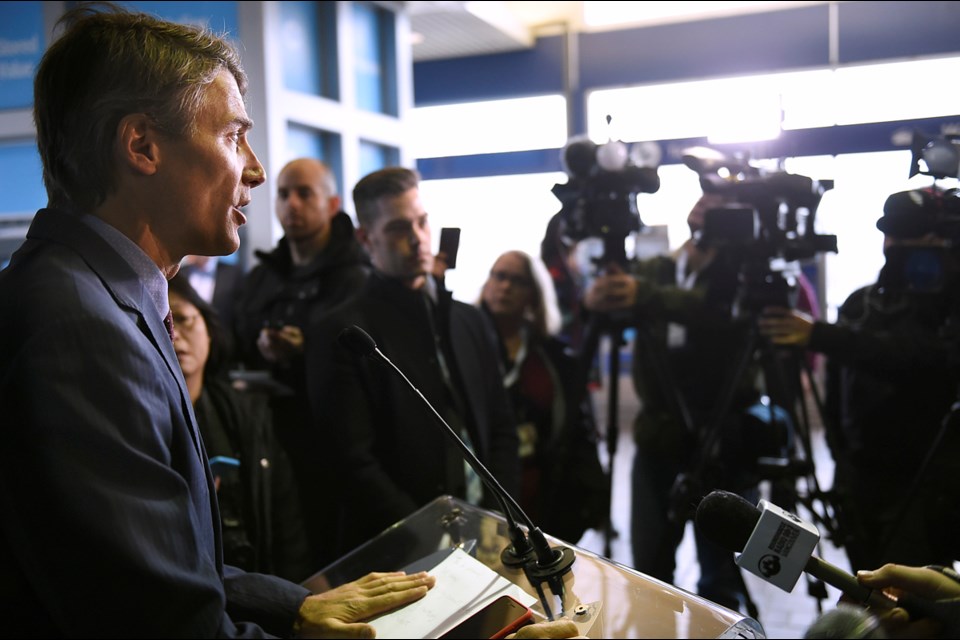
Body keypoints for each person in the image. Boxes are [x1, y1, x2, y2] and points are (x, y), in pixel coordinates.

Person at [0, 5, 437, 635]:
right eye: (234, 136)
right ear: (142, 146)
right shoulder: (78, 328)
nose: (256, 169)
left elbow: (155, 556)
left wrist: (295, 606)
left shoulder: (91, 293)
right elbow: (160, 621)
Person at [305, 167, 522, 554]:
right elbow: (352, 462)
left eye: (422, 223)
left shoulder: (469, 319)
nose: (418, 239)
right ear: (366, 237)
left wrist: (498, 518)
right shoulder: (341, 332)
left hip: (489, 533)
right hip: (401, 547)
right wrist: (432, 536)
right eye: (398, 228)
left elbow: (501, 427)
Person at [583, 191, 771, 613]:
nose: (708, 202)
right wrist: (596, 301)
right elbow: (621, 301)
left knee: (720, 576)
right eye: (706, 192)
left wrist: (644, 294)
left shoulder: (738, 277)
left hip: (721, 438)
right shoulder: (659, 268)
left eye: (724, 198)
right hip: (658, 435)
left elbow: (721, 317)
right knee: (648, 572)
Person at [757, 187, 960, 573]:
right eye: (893, 234)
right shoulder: (861, 304)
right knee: (865, 584)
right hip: (859, 480)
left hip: (927, 487)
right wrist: (842, 461)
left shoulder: (949, 313)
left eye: (916, 235)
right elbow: (836, 392)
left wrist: (821, 335)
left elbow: (921, 357)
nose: (898, 246)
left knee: (911, 602)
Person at [233, 156, 370, 567]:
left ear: (331, 204)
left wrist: (308, 347)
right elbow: (236, 334)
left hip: (335, 444)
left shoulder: (357, 275)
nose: (292, 204)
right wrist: (261, 344)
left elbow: (365, 357)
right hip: (272, 439)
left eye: (304, 194)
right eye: (283, 194)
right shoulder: (265, 273)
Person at [169, 272, 313, 582]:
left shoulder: (247, 413)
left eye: (183, 319)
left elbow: (285, 518)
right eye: (161, 323)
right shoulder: (149, 420)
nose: (174, 334)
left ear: (209, 329)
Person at [477, 250, 608, 543]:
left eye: (518, 280)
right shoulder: (465, 348)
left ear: (534, 294)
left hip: (544, 492)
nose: (505, 286)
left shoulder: (553, 357)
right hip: (485, 490)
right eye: (499, 276)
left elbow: (576, 427)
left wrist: (593, 494)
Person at [180, 254, 245, 329]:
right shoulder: (180, 273)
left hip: (222, 334)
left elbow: (240, 313)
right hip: (186, 333)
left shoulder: (233, 273)